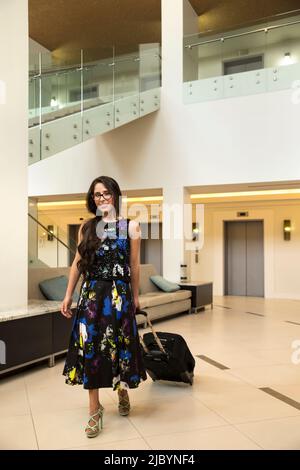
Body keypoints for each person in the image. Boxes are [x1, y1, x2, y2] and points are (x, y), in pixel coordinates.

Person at [60, 176, 147, 438]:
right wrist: (68, 295)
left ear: (116, 195)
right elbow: (77, 262)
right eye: (97, 195)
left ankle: (121, 390)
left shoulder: (131, 227)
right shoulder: (86, 228)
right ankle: (94, 410)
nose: (102, 198)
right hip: (92, 298)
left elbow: (134, 265)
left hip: (119, 297)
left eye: (106, 193)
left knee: (120, 347)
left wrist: (135, 297)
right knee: (92, 351)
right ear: (92, 199)